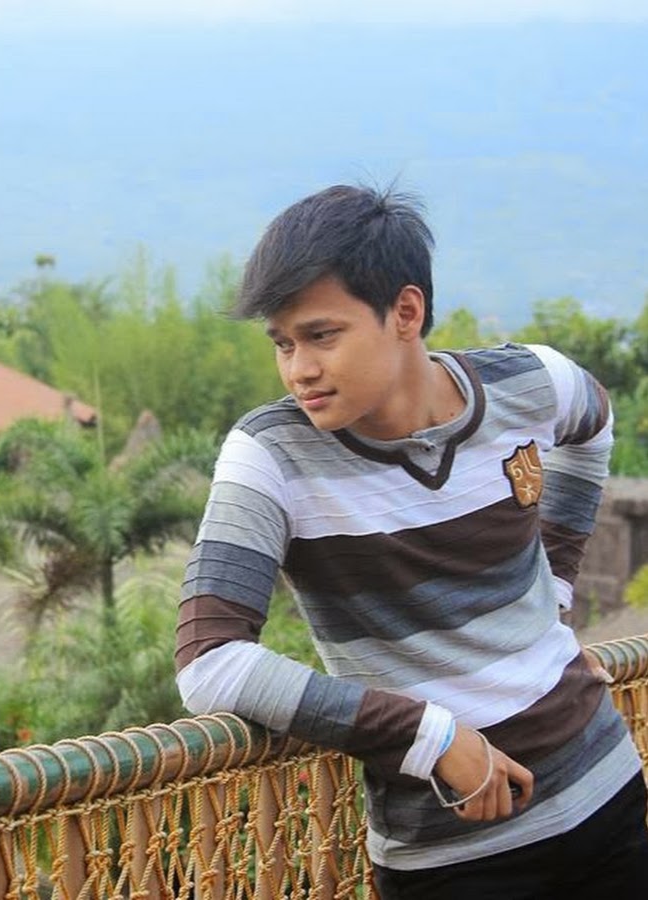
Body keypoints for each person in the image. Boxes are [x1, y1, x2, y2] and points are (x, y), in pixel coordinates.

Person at [174, 183, 648, 899]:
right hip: (452, 852)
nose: (299, 369)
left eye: (322, 335)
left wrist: (553, 591)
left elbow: (594, 423)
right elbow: (210, 662)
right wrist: (432, 736)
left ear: (405, 312)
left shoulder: (527, 384)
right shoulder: (273, 455)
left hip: (607, 790)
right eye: (283, 343)